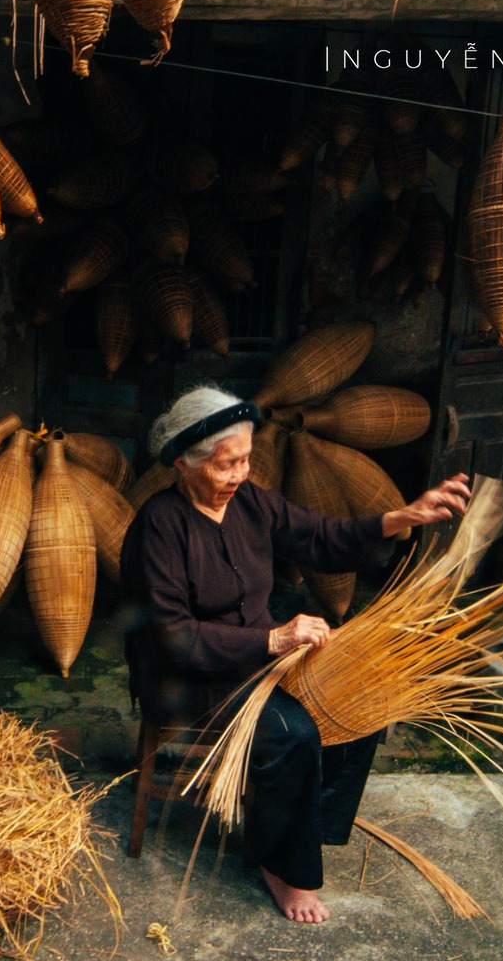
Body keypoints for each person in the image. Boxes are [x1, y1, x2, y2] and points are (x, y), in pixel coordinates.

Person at [119, 385, 472, 924]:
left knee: (362, 702)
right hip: (185, 677)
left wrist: (401, 518)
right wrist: (274, 639)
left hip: (256, 658)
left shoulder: (250, 502)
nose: (239, 474)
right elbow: (173, 636)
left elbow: (319, 535)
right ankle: (282, 866)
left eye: (245, 459)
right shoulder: (160, 526)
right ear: (186, 464)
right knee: (293, 732)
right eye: (226, 464)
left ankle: (307, 830)